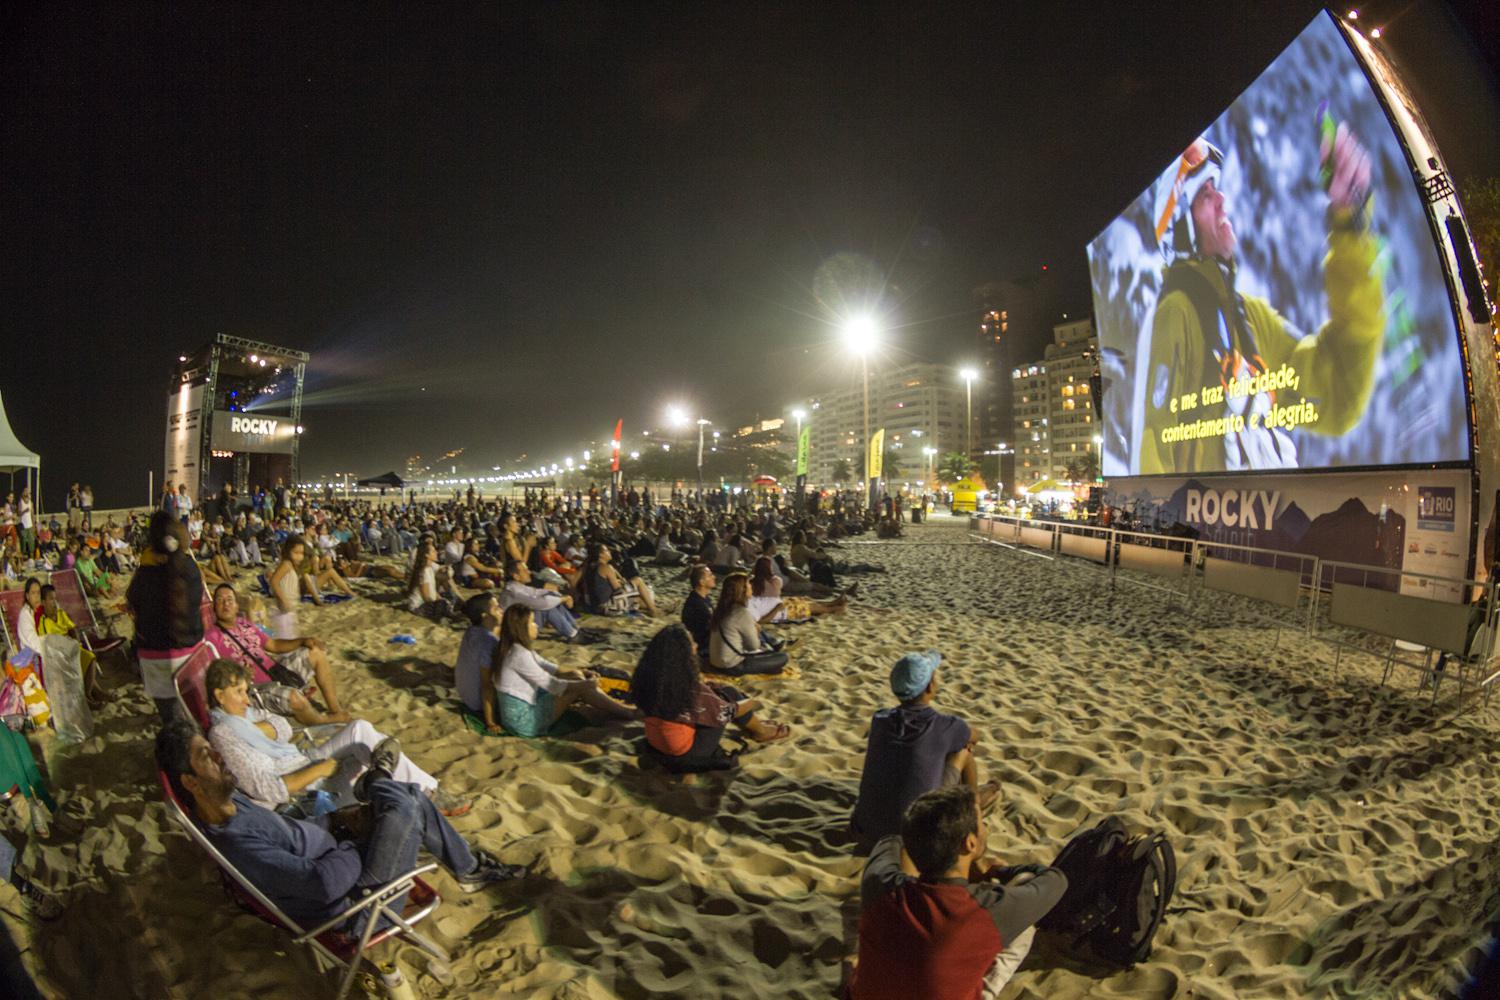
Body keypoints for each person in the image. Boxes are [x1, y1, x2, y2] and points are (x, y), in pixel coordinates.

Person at [1139, 131, 1382, 474]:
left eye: (1216, 188)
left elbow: (1338, 392)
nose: (1222, 199)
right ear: (1182, 230)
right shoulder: (1175, 313)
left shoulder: (1251, 318)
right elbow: (1153, 448)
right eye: (1205, 195)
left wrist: (1350, 226)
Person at [155, 722, 520, 938]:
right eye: (207, 755)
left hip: (343, 859)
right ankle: (376, 780)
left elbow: (295, 837)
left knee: (401, 799)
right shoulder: (237, 841)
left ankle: (467, 868)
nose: (219, 755)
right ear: (190, 782)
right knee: (404, 803)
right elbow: (321, 884)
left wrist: (336, 821)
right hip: (359, 907)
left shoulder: (235, 801)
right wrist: (349, 845)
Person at [848, 784, 1067, 1000]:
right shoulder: (984, 909)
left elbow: (891, 841)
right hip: (970, 928)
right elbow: (1056, 880)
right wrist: (1001, 870)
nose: (985, 829)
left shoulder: (880, 884)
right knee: (1024, 904)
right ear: (970, 843)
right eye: (981, 824)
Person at [203, 658, 468, 816]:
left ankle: (428, 791)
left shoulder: (242, 718)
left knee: (360, 730)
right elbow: (266, 788)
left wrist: (253, 728)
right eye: (239, 692)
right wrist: (319, 768)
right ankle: (425, 793)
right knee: (367, 754)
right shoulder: (224, 734)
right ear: (218, 695)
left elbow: (282, 726)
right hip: (301, 786)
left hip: (301, 760)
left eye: (246, 691)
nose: (247, 699)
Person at [850, 650, 999, 854]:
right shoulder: (945, 725)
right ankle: (974, 811)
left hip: (866, 830)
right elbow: (974, 735)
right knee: (963, 751)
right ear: (930, 686)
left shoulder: (880, 719)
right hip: (916, 835)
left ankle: (971, 801)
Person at [630, 625, 788, 772]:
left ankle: (757, 726)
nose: (696, 645)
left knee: (722, 690)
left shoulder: (651, 678)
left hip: (656, 743)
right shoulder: (685, 689)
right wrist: (751, 702)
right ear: (681, 652)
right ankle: (760, 731)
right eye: (692, 643)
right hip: (685, 753)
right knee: (731, 695)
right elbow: (725, 712)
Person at [202, 583, 349, 725]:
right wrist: (240, 675)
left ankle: (335, 710)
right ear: (214, 607)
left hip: (276, 671)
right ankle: (325, 721)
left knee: (316, 652)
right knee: (294, 699)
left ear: (236, 606)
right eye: (220, 600)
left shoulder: (245, 623)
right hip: (256, 689)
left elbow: (273, 645)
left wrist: (302, 641)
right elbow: (215, 675)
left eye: (229, 600)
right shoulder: (212, 637)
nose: (225, 604)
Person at [492, 605, 635, 737]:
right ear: (521, 628)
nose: (536, 626)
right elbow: (551, 684)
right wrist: (585, 684)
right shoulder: (518, 654)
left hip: (525, 708)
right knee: (579, 687)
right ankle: (625, 712)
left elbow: (549, 667)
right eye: (532, 622)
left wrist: (581, 672)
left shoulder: (516, 647)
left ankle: (620, 708)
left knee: (576, 676)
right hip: (524, 722)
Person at [125, 511, 206, 723]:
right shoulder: (189, 567)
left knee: (171, 720)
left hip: (154, 657)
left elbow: (133, 601)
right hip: (191, 655)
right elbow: (197, 602)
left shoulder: (145, 572)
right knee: (195, 714)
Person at [33, 584, 108, 706]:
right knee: (76, 664)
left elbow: (73, 629)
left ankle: (90, 693)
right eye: (51, 599)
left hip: (70, 648)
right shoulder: (43, 620)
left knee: (90, 657)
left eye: (55, 599)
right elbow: (47, 642)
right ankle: (89, 696)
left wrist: (76, 641)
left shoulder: (61, 614)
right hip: (58, 654)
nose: (54, 602)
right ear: (43, 602)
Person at [707, 572, 788, 676]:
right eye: (749, 584)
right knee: (782, 657)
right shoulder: (741, 612)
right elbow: (753, 646)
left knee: (769, 655)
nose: (751, 586)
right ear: (743, 590)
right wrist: (757, 632)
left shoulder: (722, 609)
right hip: (732, 665)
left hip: (715, 662)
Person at [499, 558, 581, 641]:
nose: (529, 572)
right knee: (546, 608)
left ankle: (576, 629)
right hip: (515, 633)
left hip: (519, 627)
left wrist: (562, 597)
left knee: (552, 598)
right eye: (525, 570)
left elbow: (537, 592)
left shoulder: (515, 586)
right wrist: (564, 599)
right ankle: (572, 635)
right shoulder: (513, 592)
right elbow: (543, 603)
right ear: (516, 576)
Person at [748, 555, 845, 622]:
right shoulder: (775, 580)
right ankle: (836, 607)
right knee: (809, 606)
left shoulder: (751, 583)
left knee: (806, 600)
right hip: (781, 607)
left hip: (781, 604)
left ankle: (832, 603)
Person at [578, 542, 663, 617]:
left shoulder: (589, 566)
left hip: (595, 606)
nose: (609, 552)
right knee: (638, 580)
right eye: (607, 550)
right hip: (607, 607)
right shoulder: (606, 567)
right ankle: (653, 611)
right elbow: (618, 590)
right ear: (600, 554)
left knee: (640, 600)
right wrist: (625, 584)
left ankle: (656, 608)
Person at [454, 593, 501, 718]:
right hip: (478, 702)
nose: (501, 610)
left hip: (466, 696)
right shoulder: (488, 641)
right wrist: (490, 721)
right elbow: (486, 684)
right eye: (496, 608)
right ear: (485, 616)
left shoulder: (472, 631)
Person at [0, 832, 62, 921]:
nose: (40, 910)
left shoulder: (31, 898)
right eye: (45, 911)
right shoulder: (47, 889)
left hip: (9, 866)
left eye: (41, 912)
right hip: (11, 862)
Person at [681, 564, 716, 656]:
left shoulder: (702, 598)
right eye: (710, 575)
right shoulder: (697, 604)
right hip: (701, 647)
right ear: (701, 582)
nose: (714, 577)